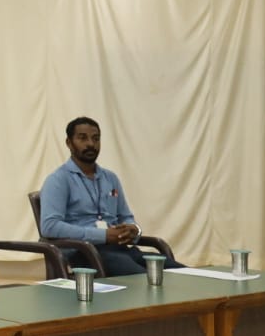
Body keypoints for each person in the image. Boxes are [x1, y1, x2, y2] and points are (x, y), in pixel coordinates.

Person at [39, 116, 182, 276]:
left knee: (184, 274)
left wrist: (134, 230)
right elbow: (50, 226)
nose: (90, 144)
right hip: (85, 253)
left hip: (121, 249)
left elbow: (126, 217)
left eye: (96, 138)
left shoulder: (110, 178)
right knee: (143, 279)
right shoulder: (58, 180)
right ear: (69, 143)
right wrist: (103, 236)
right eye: (82, 138)